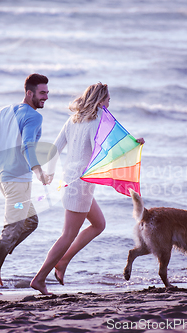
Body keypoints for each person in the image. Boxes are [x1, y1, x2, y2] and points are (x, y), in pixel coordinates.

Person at [30, 82, 144, 295]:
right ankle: (39, 278)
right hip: (81, 184)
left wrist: (51, 173)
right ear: (101, 100)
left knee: (99, 224)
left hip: (72, 179)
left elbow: (55, 148)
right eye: (108, 99)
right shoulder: (98, 120)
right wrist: (132, 145)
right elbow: (102, 152)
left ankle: (63, 261)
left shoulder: (73, 119)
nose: (110, 103)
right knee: (67, 235)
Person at [0, 73, 49, 295]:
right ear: (29, 93)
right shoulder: (34, 117)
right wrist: (38, 170)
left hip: (4, 178)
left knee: (30, 221)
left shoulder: (7, 110)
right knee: (13, 228)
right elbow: (28, 145)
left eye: (47, 92)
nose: (46, 97)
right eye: (42, 93)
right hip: (17, 181)